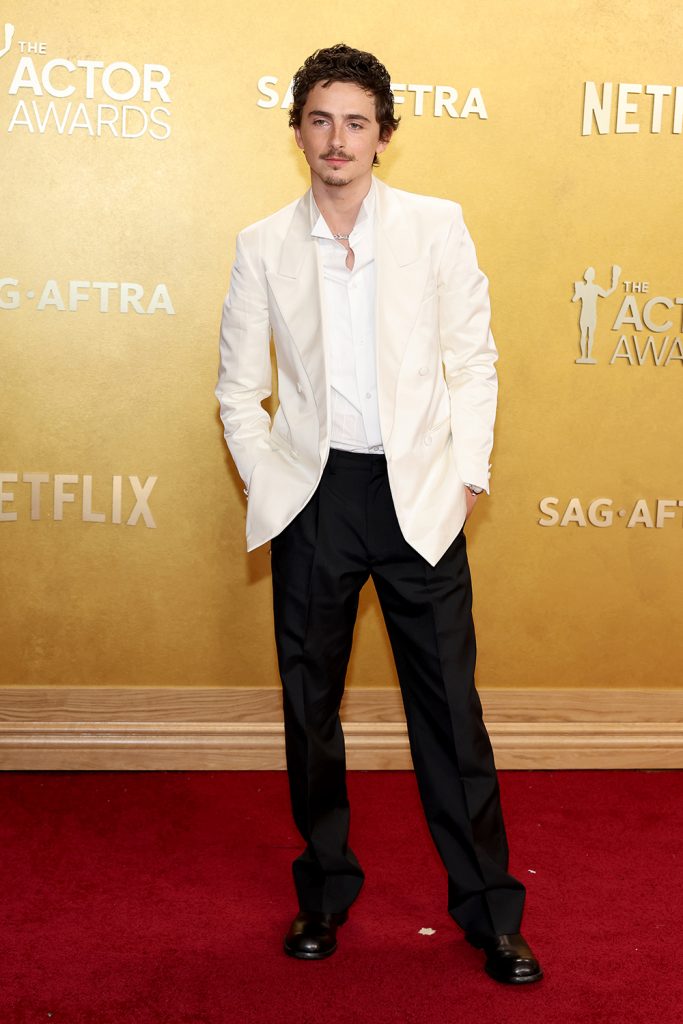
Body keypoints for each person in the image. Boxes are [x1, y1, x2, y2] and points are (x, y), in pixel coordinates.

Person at [215, 43, 542, 985]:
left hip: (419, 496)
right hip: (315, 499)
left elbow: (471, 360)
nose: (338, 138)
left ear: (383, 136)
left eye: (356, 122)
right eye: (320, 119)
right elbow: (237, 389)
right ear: (297, 132)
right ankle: (322, 895)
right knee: (309, 708)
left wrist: (467, 474)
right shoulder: (262, 245)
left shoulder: (436, 227)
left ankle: (490, 913)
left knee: (449, 713)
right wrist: (272, 482)